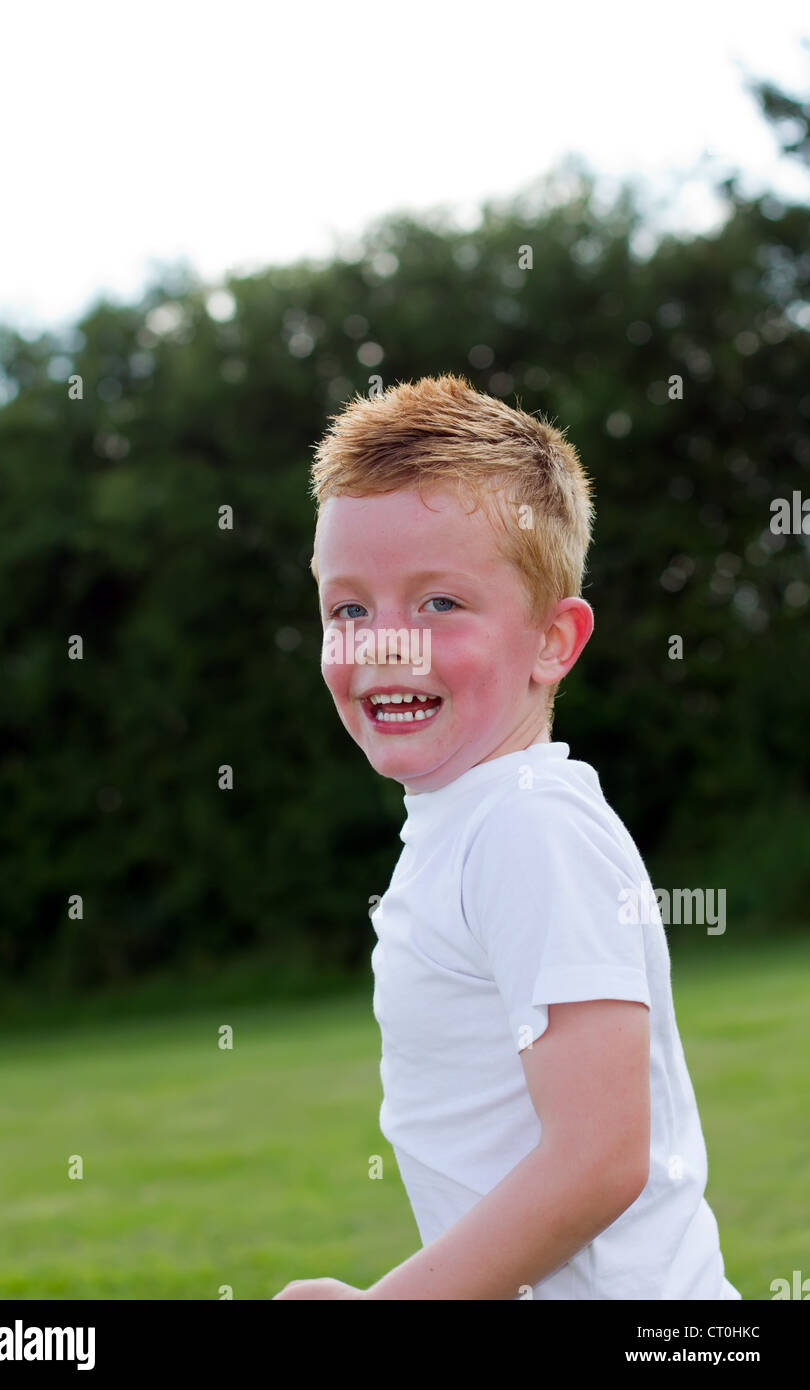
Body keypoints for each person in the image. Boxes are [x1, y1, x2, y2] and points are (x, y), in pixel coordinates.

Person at [273, 373, 741, 1301]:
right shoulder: (471, 824)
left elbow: (602, 1158)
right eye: (350, 609)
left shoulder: (528, 827)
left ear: (552, 642)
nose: (382, 646)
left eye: (438, 604)